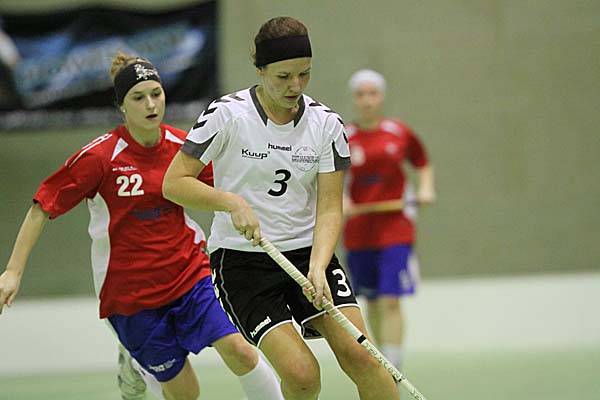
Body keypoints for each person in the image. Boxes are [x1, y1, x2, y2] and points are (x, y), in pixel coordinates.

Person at [0, 52, 284, 400]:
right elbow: (42, 206)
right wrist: (13, 272)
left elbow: (228, 190)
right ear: (121, 105)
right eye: (138, 97)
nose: (151, 104)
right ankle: (138, 364)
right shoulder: (101, 157)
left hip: (189, 274)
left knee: (240, 350)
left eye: (156, 93)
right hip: (131, 296)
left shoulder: (183, 148)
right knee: (186, 393)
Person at [163, 16, 400, 400]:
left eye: (304, 74)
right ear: (260, 71)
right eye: (283, 76)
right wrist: (230, 202)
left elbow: (329, 208)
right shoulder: (227, 115)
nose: (296, 86)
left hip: (308, 256)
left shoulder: (326, 124)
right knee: (302, 375)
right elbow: (174, 183)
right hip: (243, 263)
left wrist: (319, 265)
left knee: (364, 357)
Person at [343, 69, 436, 372]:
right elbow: (331, 178)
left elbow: (422, 162)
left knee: (390, 299)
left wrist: (425, 188)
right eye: (361, 95)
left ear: (381, 97)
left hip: (395, 229)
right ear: (354, 99)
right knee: (370, 300)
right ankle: (381, 358)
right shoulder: (344, 137)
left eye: (373, 94)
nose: (367, 100)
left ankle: (394, 363)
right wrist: (342, 201)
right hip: (359, 231)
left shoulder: (399, 132)